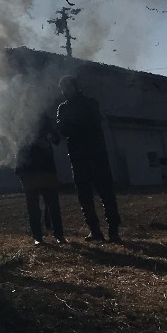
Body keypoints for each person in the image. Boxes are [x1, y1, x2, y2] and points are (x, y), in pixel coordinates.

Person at [56, 75, 122, 243]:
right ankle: (96, 230)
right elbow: (61, 131)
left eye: (67, 87)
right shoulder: (64, 108)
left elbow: (90, 123)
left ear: (74, 87)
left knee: (105, 193)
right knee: (85, 195)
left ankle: (113, 231)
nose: (64, 91)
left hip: (95, 154)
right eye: (62, 88)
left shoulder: (89, 103)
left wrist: (68, 126)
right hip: (79, 156)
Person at [15, 114, 66, 245]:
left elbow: (56, 139)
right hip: (28, 168)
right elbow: (16, 142)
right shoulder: (19, 120)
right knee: (33, 206)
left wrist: (48, 138)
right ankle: (38, 236)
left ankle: (59, 234)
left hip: (46, 167)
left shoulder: (44, 119)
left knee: (53, 204)